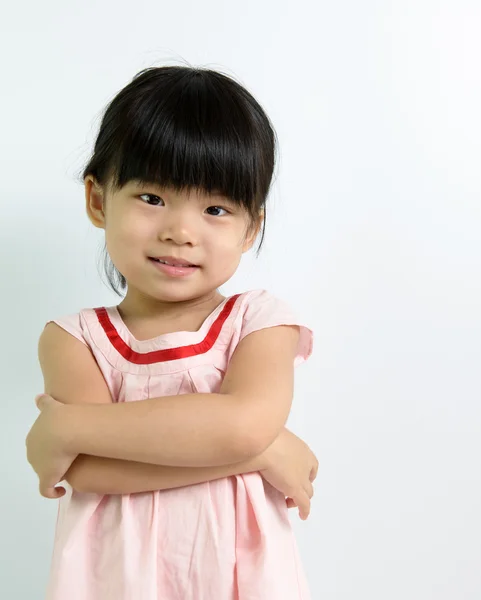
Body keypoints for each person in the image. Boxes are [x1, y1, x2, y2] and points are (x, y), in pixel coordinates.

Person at [25, 64, 319, 600]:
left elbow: (243, 423)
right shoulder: (76, 340)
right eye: (152, 198)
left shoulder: (260, 323)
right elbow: (91, 471)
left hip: (237, 578)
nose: (180, 232)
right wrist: (264, 453)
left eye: (215, 208)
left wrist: (69, 429)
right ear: (97, 200)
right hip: (116, 579)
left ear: (251, 226)